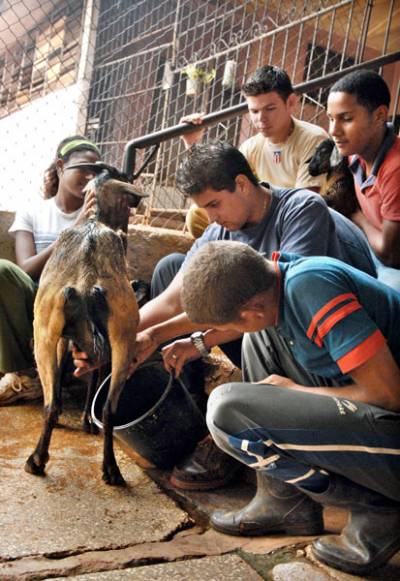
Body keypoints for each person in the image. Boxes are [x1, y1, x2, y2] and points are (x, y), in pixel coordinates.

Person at [73, 141, 376, 492]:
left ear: (243, 184)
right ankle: (202, 418)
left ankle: (245, 440)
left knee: (258, 320)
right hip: (279, 328)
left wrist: (167, 337)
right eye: (204, 208)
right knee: (171, 269)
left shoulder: (300, 208)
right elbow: (173, 300)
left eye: (214, 204)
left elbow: (271, 303)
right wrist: (109, 339)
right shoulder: (220, 230)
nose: (211, 217)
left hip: (343, 341)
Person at [180, 240, 400, 576]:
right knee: (260, 339)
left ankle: (380, 510)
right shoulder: (281, 281)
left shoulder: (314, 288)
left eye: (233, 324)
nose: (228, 333)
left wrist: (298, 391)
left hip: (392, 411)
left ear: (251, 310)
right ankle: (283, 500)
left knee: (227, 411)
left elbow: (389, 393)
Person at [0, 135, 103, 405]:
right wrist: (72, 232)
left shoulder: (98, 214)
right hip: (38, 299)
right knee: (2, 271)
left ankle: (68, 378)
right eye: (84, 168)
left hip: (78, 301)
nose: (91, 176)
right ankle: (23, 374)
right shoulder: (33, 212)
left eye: (96, 171)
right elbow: (26, 270)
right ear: (60, 166)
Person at [181, 65, 328, 237]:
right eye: (254, 111)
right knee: (197, 215)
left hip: (295, 220)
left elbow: (306, 205)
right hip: (261, 221)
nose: (261, 119)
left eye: (270, 109)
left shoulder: (314, 139)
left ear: (291, 103)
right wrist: (192, 144)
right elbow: (219, 185)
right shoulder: (251, 147)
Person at [327, 69, 400, 291]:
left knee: (389, 299)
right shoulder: (353, 152)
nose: (334, 130)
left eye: (346, 119)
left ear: (379, 116)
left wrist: (356, 215)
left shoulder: (395, 167)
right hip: (370, 247)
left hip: (394, 265)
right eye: (331, 119)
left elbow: (391, 255)